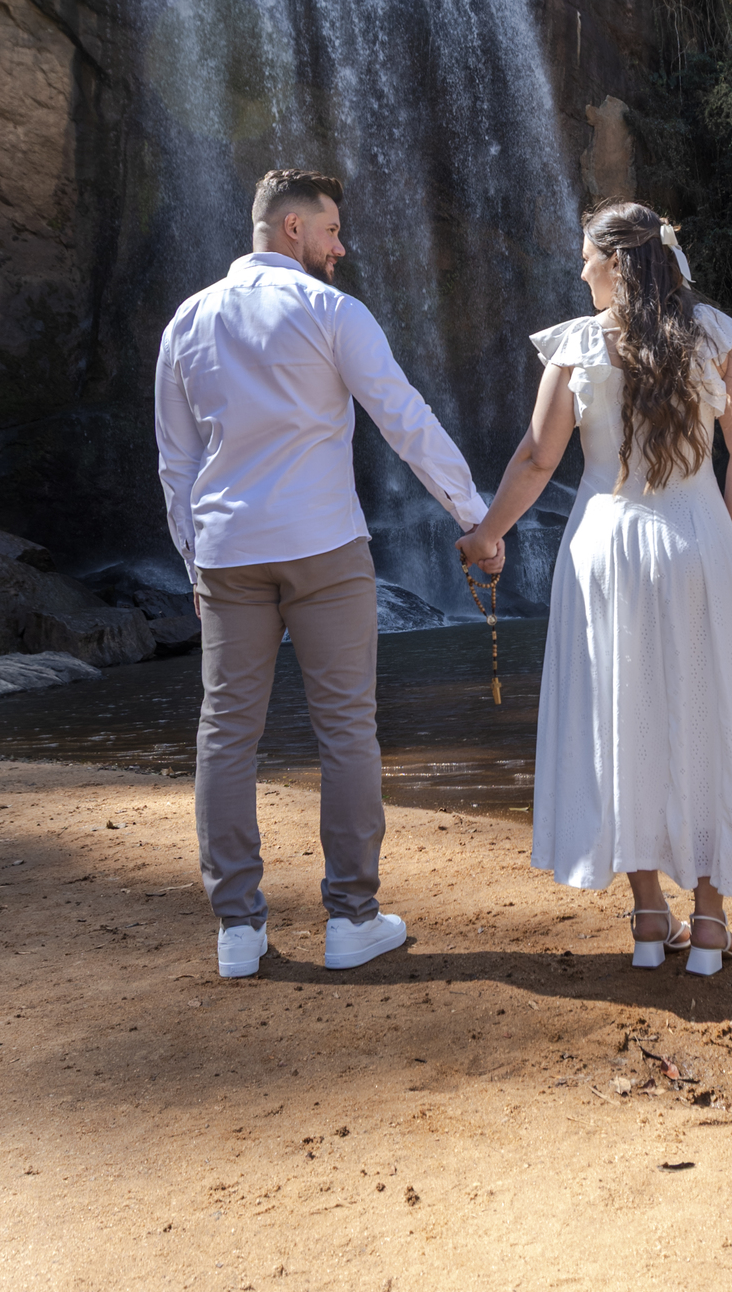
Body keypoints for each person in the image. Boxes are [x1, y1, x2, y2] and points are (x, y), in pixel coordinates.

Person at [155, 168, 502, 979]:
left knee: (225, 732)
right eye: (332, 230)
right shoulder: (330, 311)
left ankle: (237, 932)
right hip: (322, 544)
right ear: (293, 229)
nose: (340, 247)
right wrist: (475, 520)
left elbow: (176, 462)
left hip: (227, 552)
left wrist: (194, 561)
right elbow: (404, 417)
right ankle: (351, 918)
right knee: (346, 728)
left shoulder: (187, 321)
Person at [457, 199, 732, 975]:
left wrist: (487, 535)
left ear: (615, 263)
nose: (580, 267)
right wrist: (720, 538)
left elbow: (536, 460)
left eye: (587, 255)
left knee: (623, 724)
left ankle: (650, 920)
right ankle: (709, 926)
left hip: (605, 548)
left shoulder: (580, 345)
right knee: (708, 721)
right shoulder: (715, 335)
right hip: (696, 538)